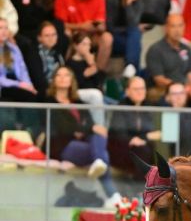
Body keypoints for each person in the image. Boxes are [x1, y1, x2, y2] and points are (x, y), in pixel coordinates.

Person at [46, 66, 119, 204]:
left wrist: (88, 128)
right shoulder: (48, 102)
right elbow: (63, 128)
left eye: (66, 75)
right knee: (103, 154)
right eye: (58, 75)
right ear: (54, 80)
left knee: (99, 135)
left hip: (84, 143)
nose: (62, 78)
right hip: (63, 145)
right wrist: (89, 128)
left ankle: (99, 164)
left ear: (71, 80)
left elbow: (89, 123)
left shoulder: (78, 102)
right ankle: (113, 196)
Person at [53, 0, 113, 73]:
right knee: (65, 33)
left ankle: (98, 73)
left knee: (107, 38)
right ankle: (64, 70)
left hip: (91, 34)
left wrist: (100, 27)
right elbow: (60, 24)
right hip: (72, 33)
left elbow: (101, 22)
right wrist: (81, 26)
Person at [109, 76, 160, 178]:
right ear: (127, 91)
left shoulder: (149, 107)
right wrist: (139, 138)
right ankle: (142, 189)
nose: (140, 92)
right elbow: (118, 133)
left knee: (151, 151)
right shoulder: (121, 107)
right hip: (124, 148)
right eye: (136, 89)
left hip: (145, 147)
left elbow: (156, 133)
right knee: (142, 151)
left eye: (142, 88)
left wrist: (144, 138)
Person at [145, 13, 191, 102]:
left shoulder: (187, 50)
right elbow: (159, 80)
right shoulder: (156, 50)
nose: (177, 30)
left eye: (180, 26)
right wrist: (179, 88)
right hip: (162, 90)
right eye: (173, 26)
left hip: (183, 90)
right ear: (166, 28)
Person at [105, 0, 144, 72]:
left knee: (135, 37)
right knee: (135, 37)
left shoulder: (137, 2)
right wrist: (127, 30)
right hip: (113, 38)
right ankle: (134, 71)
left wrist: (128, 4)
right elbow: (110, 27)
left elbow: (133, 23)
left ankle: (131, 68)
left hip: (128, 38)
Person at [22, 21, 65, 97]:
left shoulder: (58, 53)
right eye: (47, 36)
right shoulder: (33, 54)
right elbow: (39, 80)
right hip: (43, 92)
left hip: (60, 90)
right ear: (39, 38)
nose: (51, 38)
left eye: (54, 35)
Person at [0, 18, 37, 101]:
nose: (4, 31)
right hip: (3, 87)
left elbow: (23, 70)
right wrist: (19, 84)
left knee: (35, 95)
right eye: (0, 28)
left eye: (6, 28)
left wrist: (29, 86)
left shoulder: (14, 48)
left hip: (18, 86)